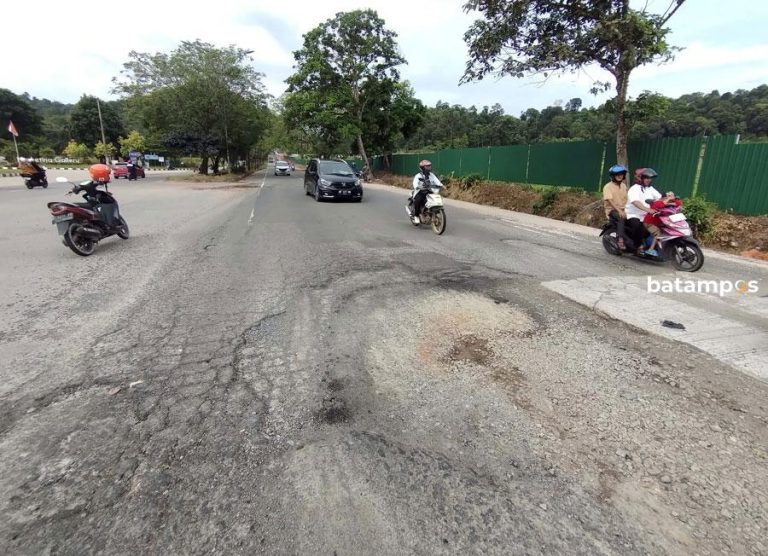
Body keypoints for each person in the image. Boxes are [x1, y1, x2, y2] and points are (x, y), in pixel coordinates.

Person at [626, 167, 662, 255]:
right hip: (633, 214)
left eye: (650, 178)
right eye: (646, 178)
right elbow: (635, 202)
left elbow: (660, 198)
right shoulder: (634, 188)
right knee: (638, 227)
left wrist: (670, 200)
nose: (648, 180)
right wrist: (648, 209)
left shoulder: (649, 189)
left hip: (646, 215)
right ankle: (638, 246)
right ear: (640, 178)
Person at [602, 164, 629, 250]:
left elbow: (626, 200)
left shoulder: (624, 186)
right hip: (612, 211)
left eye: (621, 174)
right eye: (617, 174)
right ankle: (620, 239)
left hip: (623, 209)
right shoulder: (608, 187)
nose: (619, 176)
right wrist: (620, 211)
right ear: (613, 176)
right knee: (621, 217)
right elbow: (610, 200)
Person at [408, 159, 443, 224]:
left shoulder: (431, 175)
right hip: (420, 192)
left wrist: (442, 186)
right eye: (427, 166)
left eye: (429, 166)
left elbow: (437, 181)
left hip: (429, 191)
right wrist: (417, 187)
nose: (429, 167)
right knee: (418, 201)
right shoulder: (418, 175)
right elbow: (415, 183)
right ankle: (416, 216)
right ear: (422, 167)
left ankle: (430, 211)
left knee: (435, 198)